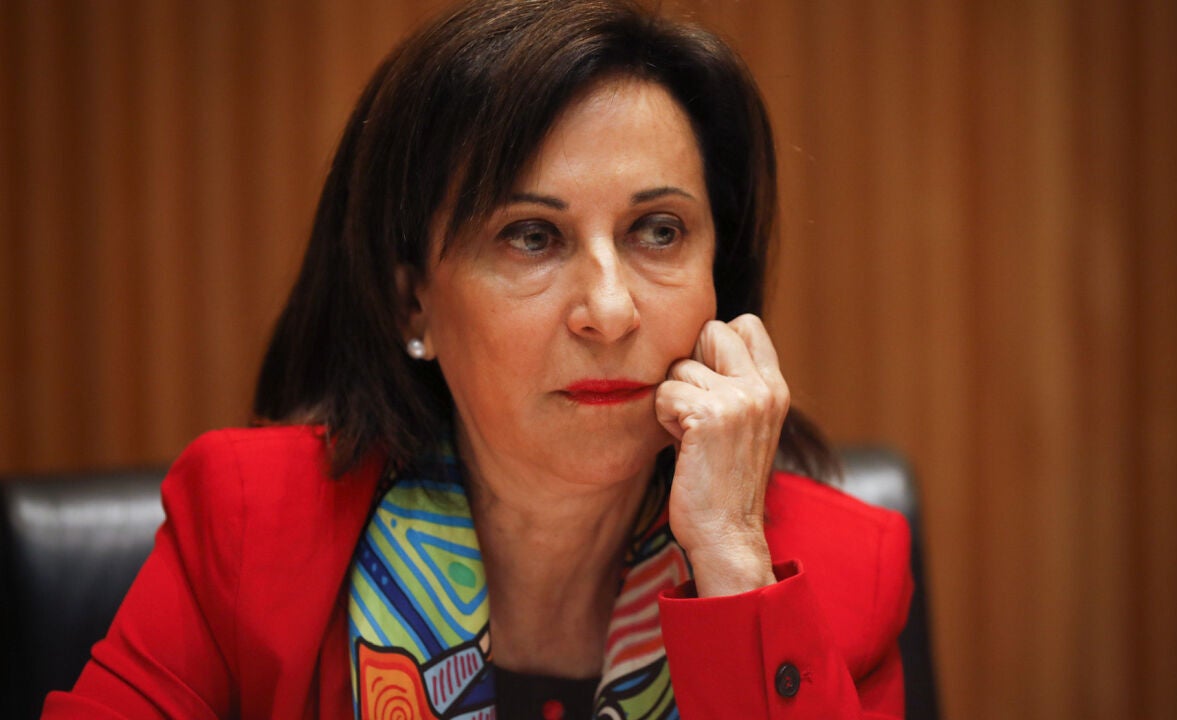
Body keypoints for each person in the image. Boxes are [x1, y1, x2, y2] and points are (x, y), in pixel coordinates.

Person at [43, 0, 912, 718]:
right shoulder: (249, 526)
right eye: (532, 236)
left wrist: (732, 564)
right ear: (412, 302)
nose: (610, 310)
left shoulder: (836, 572)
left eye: (658, 231)